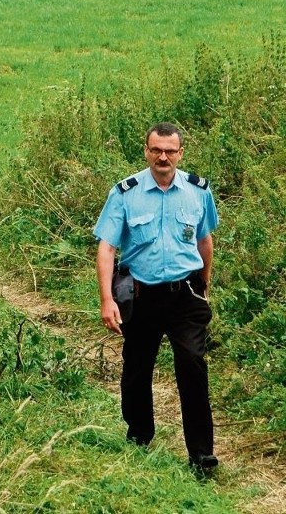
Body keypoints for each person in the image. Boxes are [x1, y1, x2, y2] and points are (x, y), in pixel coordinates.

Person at [93, 122, 220, 473]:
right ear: (146, 151)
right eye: (156, 150)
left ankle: (201, 454)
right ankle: (139, 438)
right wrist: (107, 299)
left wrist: (204, 285)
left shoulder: (198, 191)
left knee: (193, 364)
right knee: (137, 368)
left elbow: (205, 240)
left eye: (170, 151)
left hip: (185, 296)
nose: (163, 157)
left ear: (181, 153)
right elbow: (106, 248)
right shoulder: (124, 193)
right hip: (141, 295)